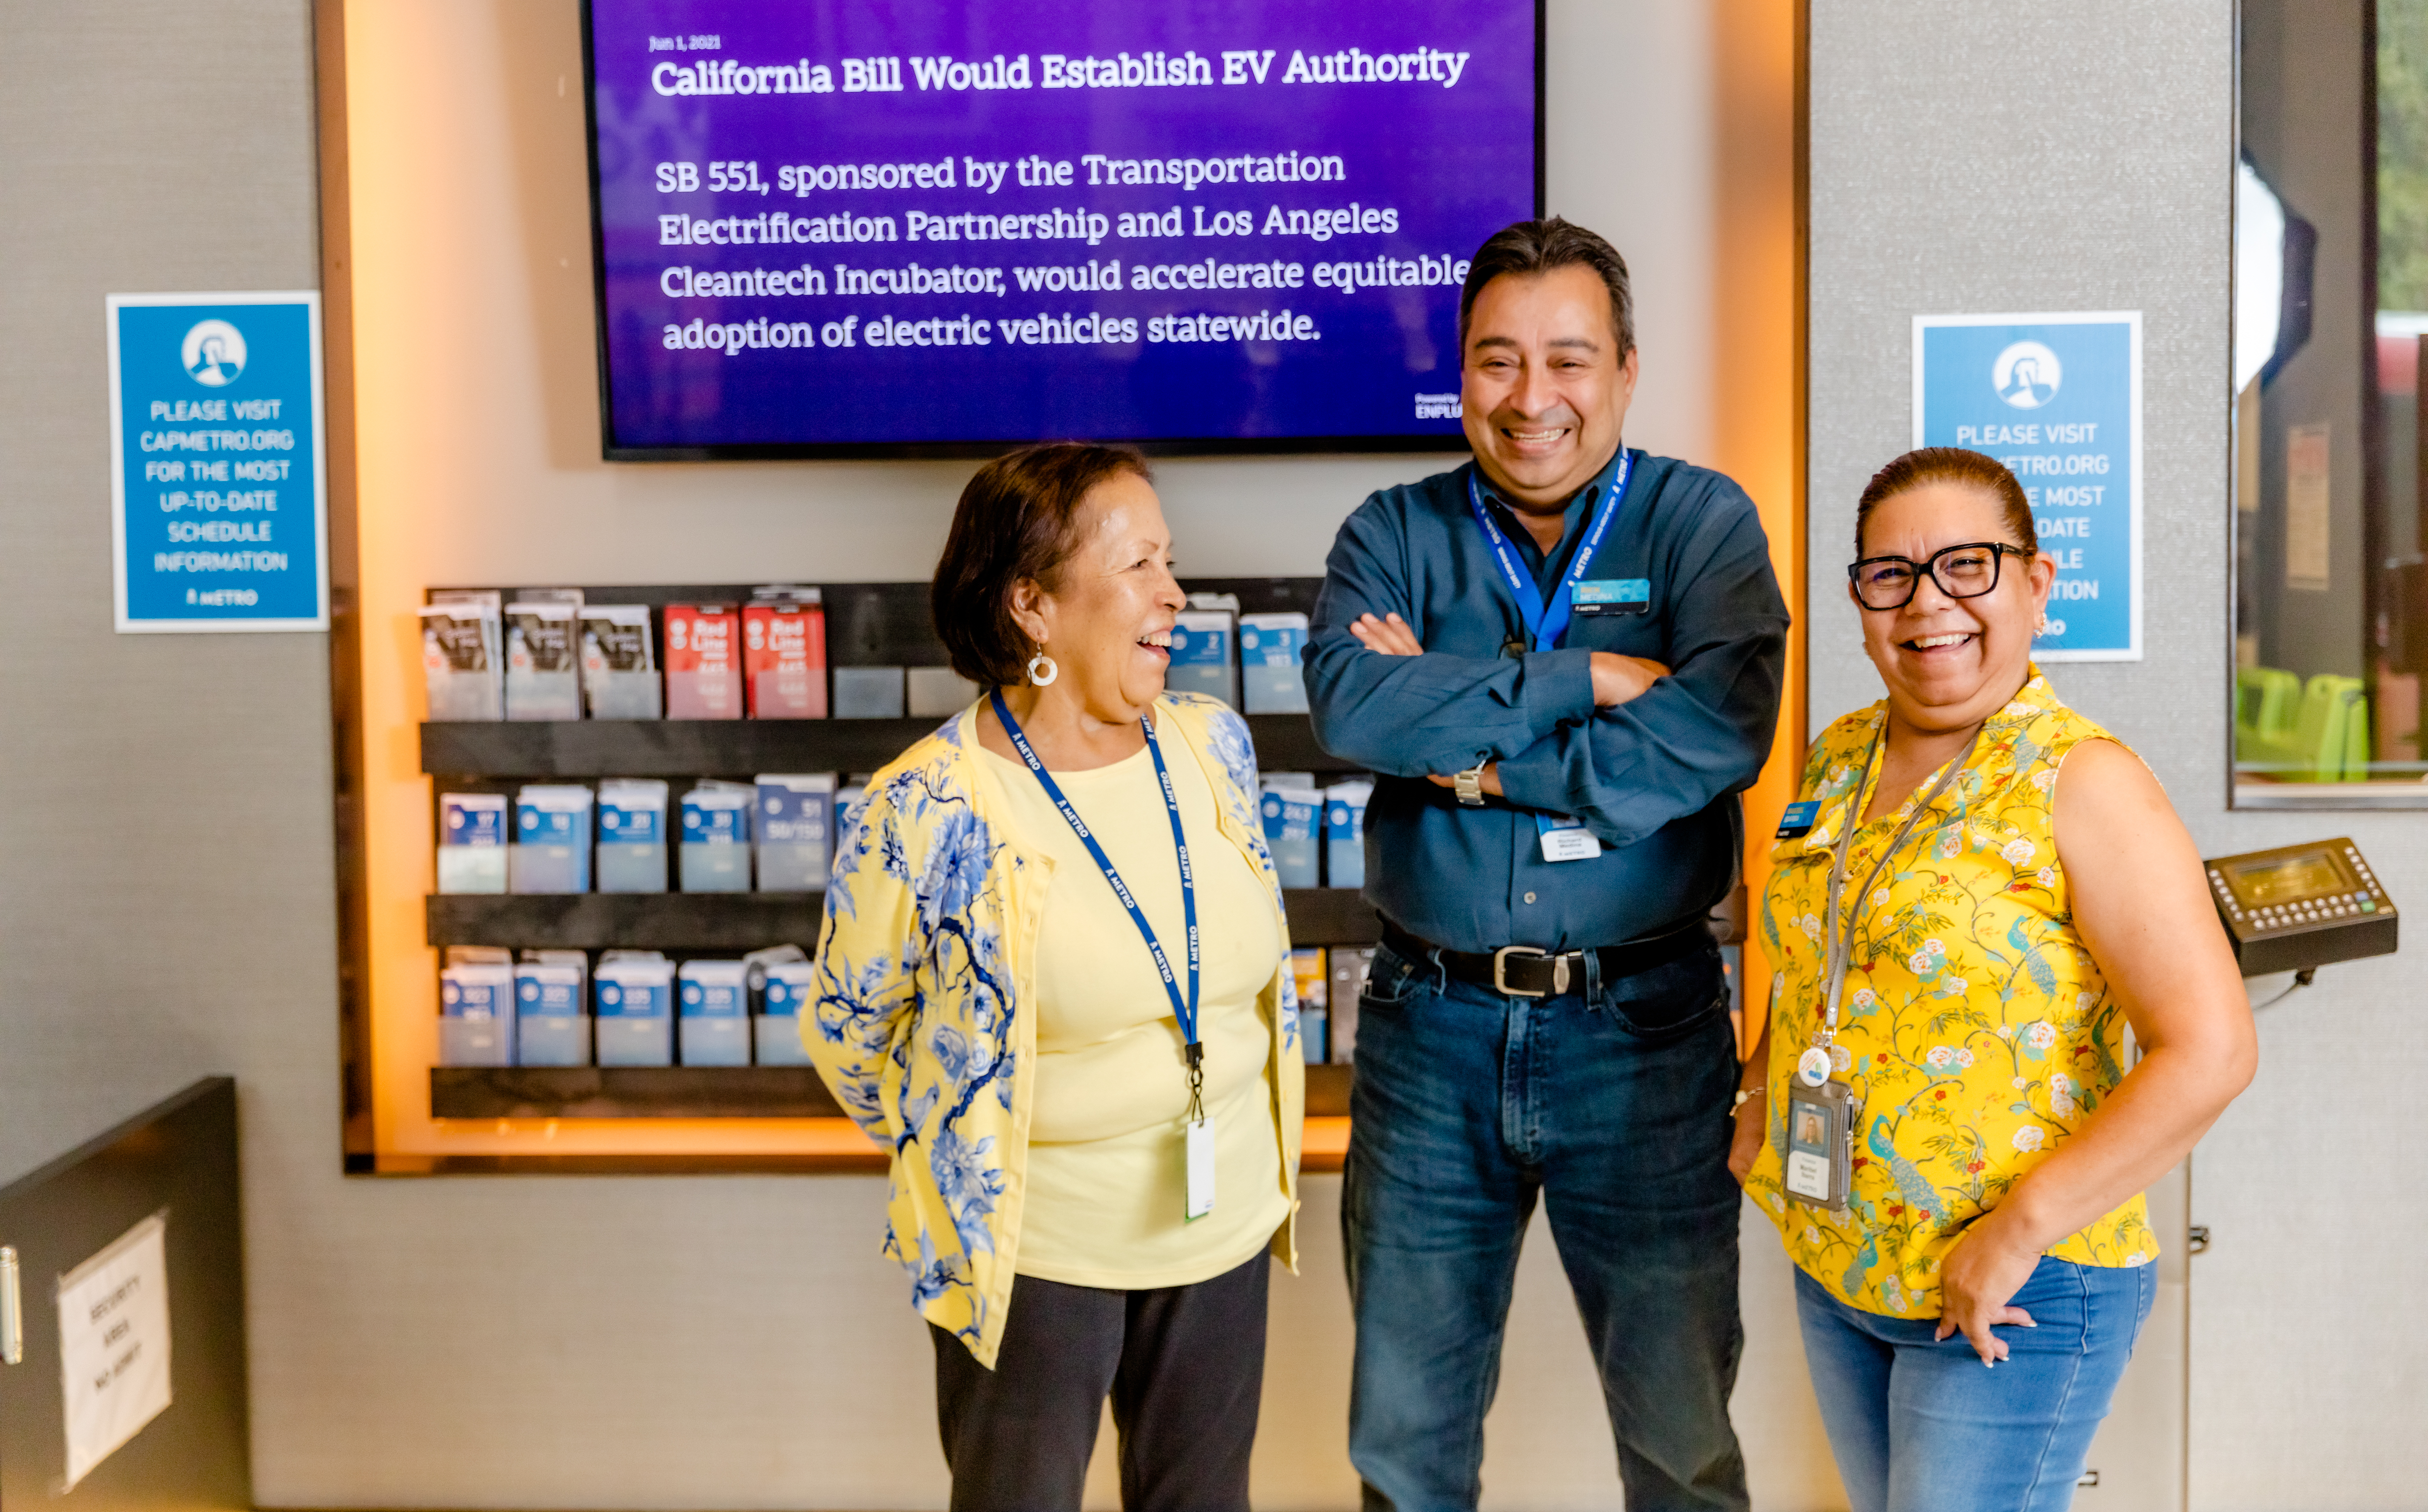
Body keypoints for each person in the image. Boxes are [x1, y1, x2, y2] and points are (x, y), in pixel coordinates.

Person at [1307, 217, 1788, 1511]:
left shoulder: (1705, 526)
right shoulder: (1393, 531)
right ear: (1459, 373)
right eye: (1497, 361)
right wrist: (1582, 680)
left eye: (1568, 361)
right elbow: (1355, 711)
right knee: (1404, 1450)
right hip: (1430, 1030)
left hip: (1644, 1029)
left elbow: (1712, 742)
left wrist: (1467, 754)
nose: (1533, 400)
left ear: (1627, 370)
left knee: (1681, 1440)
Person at [1732, 447, 2258, 1512]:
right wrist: (1757, 1086)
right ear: (1859, 597)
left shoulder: (2084, 780)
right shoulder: (1841, 755)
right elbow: (1820, 955)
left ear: (2037, 582)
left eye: (1967, 566)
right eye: (1892, 575)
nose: (1930, 604)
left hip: (2012, 1282)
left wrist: (2013, 1235)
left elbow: (2213, 1048)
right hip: (1845, 1261)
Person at [805, 443, 1306, 1512]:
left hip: (1221, 1230)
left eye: (1170, 562)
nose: (1174, 594)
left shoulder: (1212, 743)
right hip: (1038, 1256)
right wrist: (968, 1133)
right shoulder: (926, 804)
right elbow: (850, 1033)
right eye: (1138, 568)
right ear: (1034, 604)